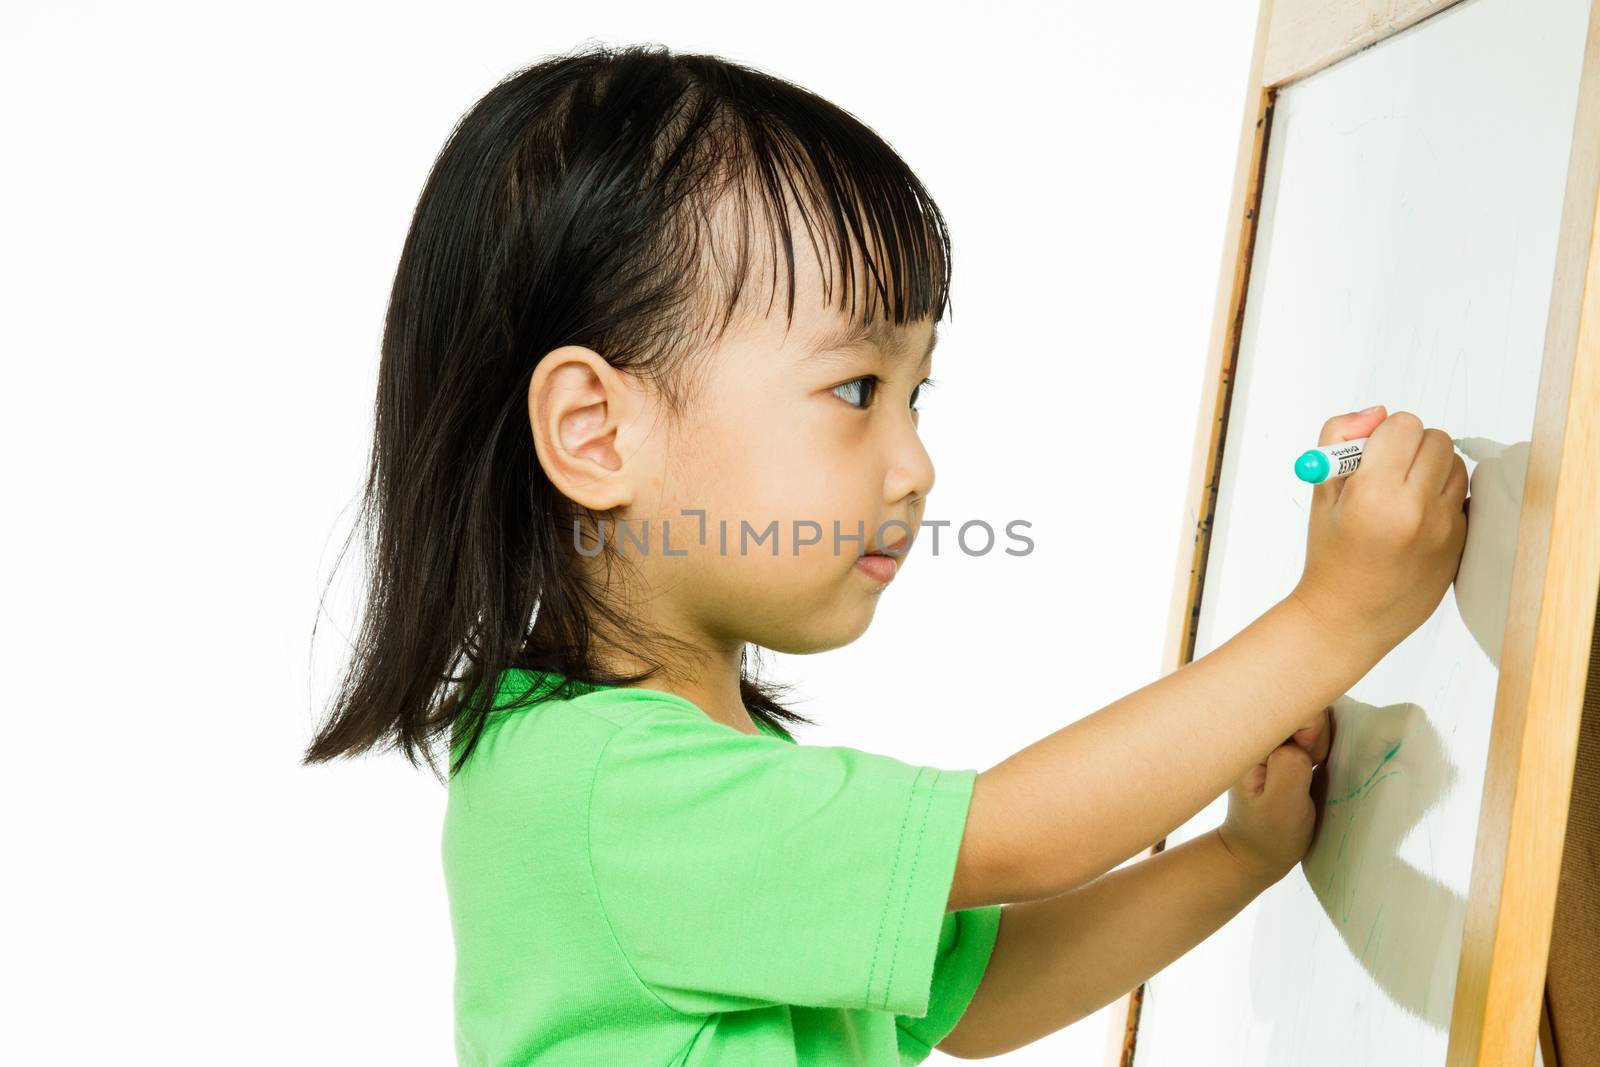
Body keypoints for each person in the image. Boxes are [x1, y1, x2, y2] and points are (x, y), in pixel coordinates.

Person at [302, 41, 1469, 1065]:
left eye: (916, 393)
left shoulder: (660, 765)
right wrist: (1337, 613)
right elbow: (1018, 834)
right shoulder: (604, 790)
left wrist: (1239, 855)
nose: (913, 463)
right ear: (599, 431)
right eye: (855, 388)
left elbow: (979, 997)